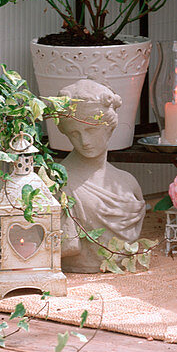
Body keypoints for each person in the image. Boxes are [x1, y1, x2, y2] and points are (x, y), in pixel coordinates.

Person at [56, 79, 146, 272]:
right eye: (74, 133)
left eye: (91, 129)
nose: (84, 141)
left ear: (109, 127)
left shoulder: (128, 183)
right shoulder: (60, 182)